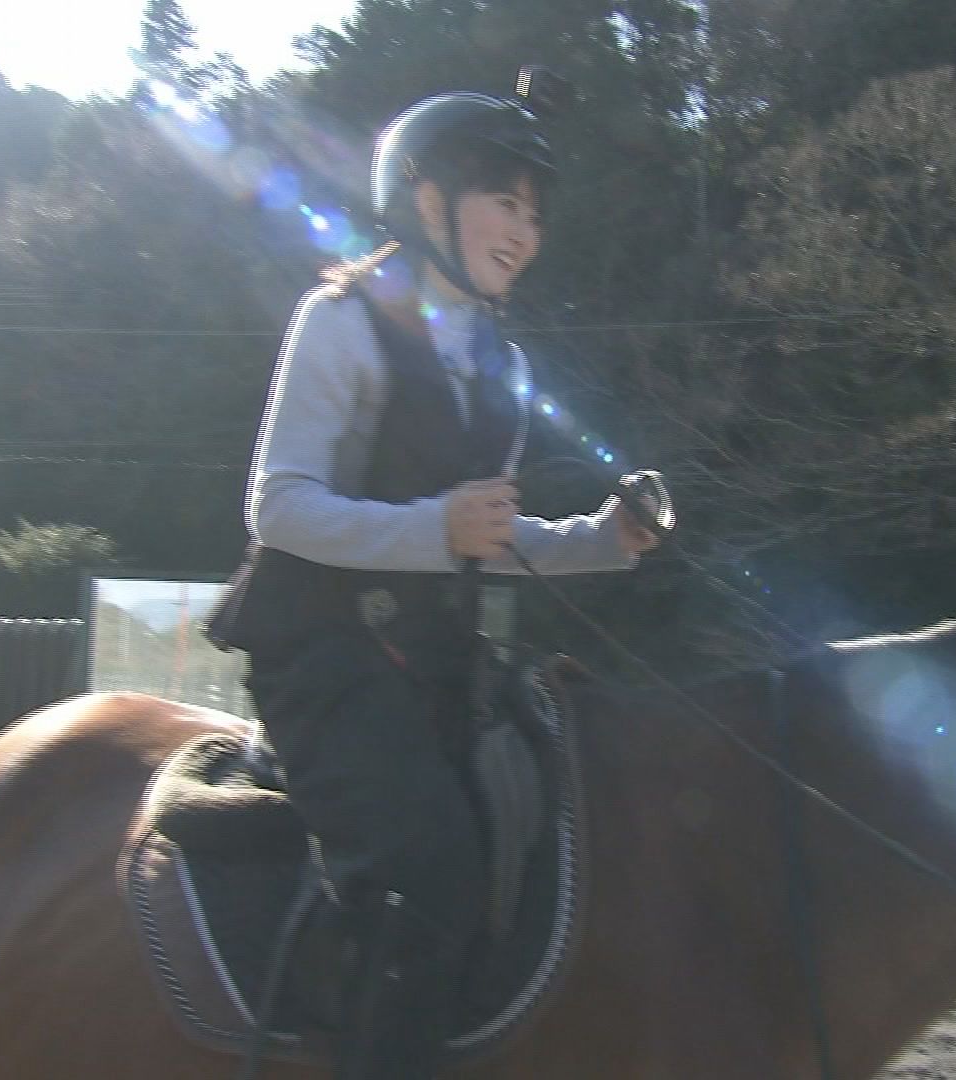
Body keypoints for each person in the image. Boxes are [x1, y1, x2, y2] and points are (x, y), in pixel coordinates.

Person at [205, 86, 659, 1079]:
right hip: (320, 656)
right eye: (505, 202)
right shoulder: (338, 322)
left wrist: (607, 539)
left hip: (434, 665)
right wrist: (434, 529)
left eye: (536, 214)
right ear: (427, 202)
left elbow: (489, 535)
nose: (525, 231)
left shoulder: (499, 360)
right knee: (430, 872)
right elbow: (276, 508)